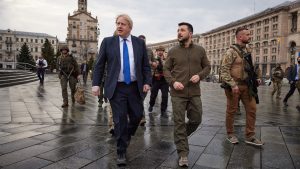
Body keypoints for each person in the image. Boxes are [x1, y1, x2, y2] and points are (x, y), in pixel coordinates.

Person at [92, 14, 151, 166]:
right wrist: (96, 84)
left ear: (130, 27)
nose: (119, 26)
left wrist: (147, 82)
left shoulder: (139, 43)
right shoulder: (108, 42)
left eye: (123, 24)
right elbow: (99, 65)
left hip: (134, 87)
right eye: (117, 23)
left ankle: (126, 134)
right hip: (116, 88)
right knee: (120, 120)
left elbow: (145, 66)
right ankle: (121, 151)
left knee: (137, 115)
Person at [163, 22, 210, 167]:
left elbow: (207, 67)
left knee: (196, 119)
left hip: (194, 92)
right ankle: (183, 153)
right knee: (179, 123)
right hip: (177, 93)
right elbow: (166, 70)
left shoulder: (200, 50)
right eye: (178, 30)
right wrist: (173, 82)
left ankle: (181, 137)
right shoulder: (172, 51)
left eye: (182, 30)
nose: (179, 32)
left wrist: (200, 75)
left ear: (190, 33)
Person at [220, 27, 263, 147]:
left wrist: (258, 77)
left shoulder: (248, 50)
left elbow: (252, 67)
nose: (250, 36)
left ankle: (250, 136)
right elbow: (224, 70)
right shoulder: (231, 52)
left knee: (252, 110)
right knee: (231, 111)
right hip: (234, 87)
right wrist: (232, 85)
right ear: (240, 37)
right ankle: (230, 134)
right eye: (247, 35)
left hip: (247, 86)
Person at [138, 34, 154, 126]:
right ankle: (141, 117)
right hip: (137, 78)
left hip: (147, 78)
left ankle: (140, 116)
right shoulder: (133, 50)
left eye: (143, 41)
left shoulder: (149, 51)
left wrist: (153, 63)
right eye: (140, 40)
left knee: (141, 98)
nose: (142, 42)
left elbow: (153, 61)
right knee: (139, 98)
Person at [148, 46, 169, 118]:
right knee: (153, 95)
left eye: (161, 50)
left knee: (165, 96)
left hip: (164, 80)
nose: (160, 52)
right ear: (156, 51)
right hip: (156, 79)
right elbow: (151, 67)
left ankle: (163, 111)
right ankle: (151, 105)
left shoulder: (167, 58)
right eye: (158, 51)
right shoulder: (153, 59)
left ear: (163, 51)